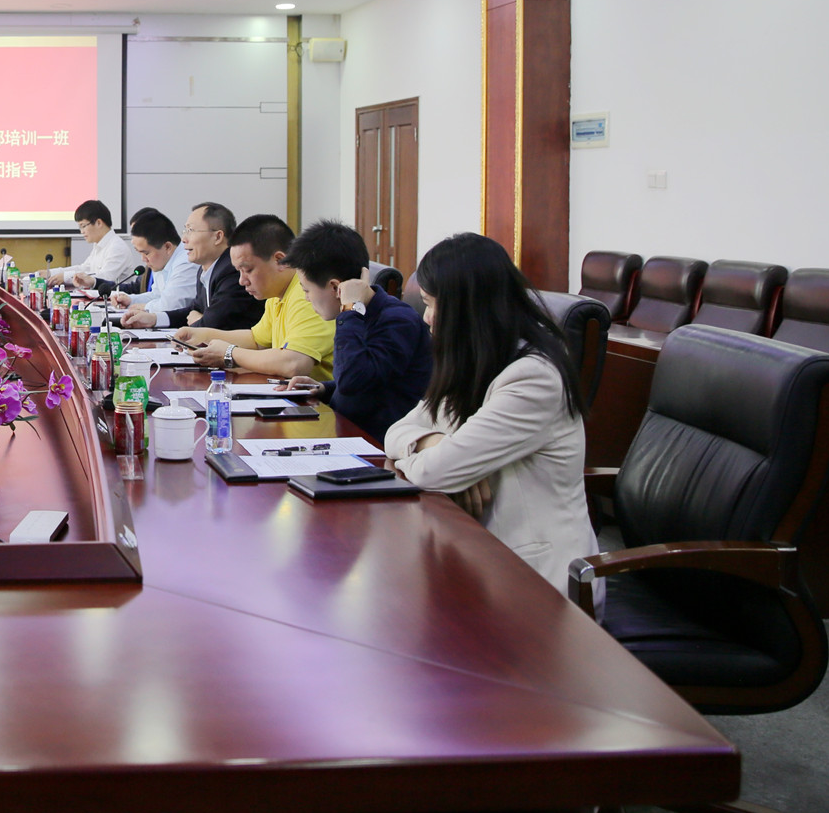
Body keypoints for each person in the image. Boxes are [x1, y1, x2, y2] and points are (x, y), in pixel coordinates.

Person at [383, 233, 597, 591]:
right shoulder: (479, 359)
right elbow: (397, 431)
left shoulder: (533, 378)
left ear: (467, 307)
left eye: (432, 305)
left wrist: (445, 459)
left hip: (540, 582)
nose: (427, 318)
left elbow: (434, 473)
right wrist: (434, 442)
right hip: (477, 550)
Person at [281, 220, 432, 441]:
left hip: (377, 447)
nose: (306, 298)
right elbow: (371, 383)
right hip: (347, 433)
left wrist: (349, 310)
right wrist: (325, 389)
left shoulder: (398, 321)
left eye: (306, 290)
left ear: (335, 287)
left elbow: (354, 382)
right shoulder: (361, 314)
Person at [173, 215, 334, 380]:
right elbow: (257, 341)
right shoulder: (277, 294)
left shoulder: (306, 294)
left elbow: (294, 364)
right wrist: (204, 335)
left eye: (248, 270)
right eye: (239, 271)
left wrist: (230, 354)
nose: (242, 281)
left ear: (280, 260)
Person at [121, 201, 264, 331]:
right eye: (185, 231)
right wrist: (154, 319)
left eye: (191, 231)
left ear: (218, 237)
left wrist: (200, 320)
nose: (184, 239)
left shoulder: (233, 270)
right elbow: (193, 311)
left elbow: (214, 323)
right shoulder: (205, 269)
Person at [104, 209, 199, 320]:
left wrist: (144, 307)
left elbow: (170, 306)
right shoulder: (162, 261)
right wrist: (131, 300)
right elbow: (157, 295)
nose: (143, 259)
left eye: (146, 253)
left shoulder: (186, 262)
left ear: (167, 247)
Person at [42, 200, 137, 287]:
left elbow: (105, 277)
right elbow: (85, 268)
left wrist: (66, 277)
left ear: (98, 223)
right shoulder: (100, 245)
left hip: (117, 298)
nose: (82, 232)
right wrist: (51, 273)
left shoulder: (117, 247)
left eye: (83, 226)